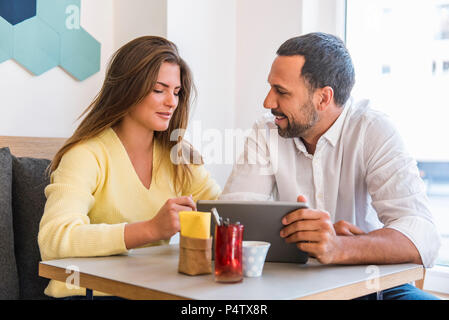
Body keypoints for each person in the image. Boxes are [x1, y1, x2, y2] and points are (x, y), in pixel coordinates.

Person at [220, 32, 441, 300]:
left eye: (281, 91)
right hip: (294, 287)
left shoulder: (372, 130)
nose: (268, 102)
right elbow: (230, 222)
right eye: (270, 87)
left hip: (371, 286)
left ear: (324, 98)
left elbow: (424, 237)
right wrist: (311, 240)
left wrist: (341, 247)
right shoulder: (266, 132)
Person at [38, 36, 221, 299]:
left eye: (177, 92)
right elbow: (55, 238)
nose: (171, 102)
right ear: (128, 88)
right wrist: (150, 229)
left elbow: (222, 210)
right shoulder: (86, 154)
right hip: (86, 294)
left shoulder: (179, 158)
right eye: (159, 90)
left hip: (150, 292)